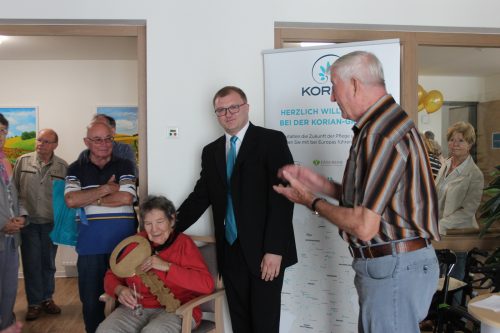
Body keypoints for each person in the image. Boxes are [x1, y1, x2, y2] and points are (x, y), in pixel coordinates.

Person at [273, 51, 440, 333]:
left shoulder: (380, 132)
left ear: (354, 84)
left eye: (333, 87)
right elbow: (379, 201)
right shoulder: (384, 124)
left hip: (394, 269)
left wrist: (311, 201)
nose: (331, 97)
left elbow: (364, 225)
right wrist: (319, 184)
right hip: (396, 268)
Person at [176, 86, 297, 333]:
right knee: (240, 324)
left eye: (233, 107)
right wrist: (166, 228)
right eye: (221, 110)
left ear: (246, 107)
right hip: (229, 251)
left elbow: (284, 198)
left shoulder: (271, 141)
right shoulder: (211, 152)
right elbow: (200, 197)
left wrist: (274, 249)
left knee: (264, 325)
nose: (228, 114)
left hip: (265, 251)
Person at [96, 195, 214, 333]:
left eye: (160, 221)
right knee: (105, 330)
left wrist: (167, 267)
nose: (154, 229)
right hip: (136, 308)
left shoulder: (183, 244)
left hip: (178, 309)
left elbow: (206, 285)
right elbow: (112, 275)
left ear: (172, 220)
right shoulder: (136, 242)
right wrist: (119, 290)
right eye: (148, 223)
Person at [65, 121, 137, 333]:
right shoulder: (75, 168)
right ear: (87, 142)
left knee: (127, 302)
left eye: (108, 139)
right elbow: (70, 200)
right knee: (91, 303)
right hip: (90, 248)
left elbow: (126, 197)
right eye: (97, 139)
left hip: (124, 247)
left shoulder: (125, 164)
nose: (104, 144)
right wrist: (106, 188)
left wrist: (89, 198)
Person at [13, 129, 68, 321]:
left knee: (48, 264)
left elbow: (65, 199)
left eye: (46, 141)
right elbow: (14, 191)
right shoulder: (23, 161)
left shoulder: (62, 167)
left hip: (51, 224)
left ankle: (47, 299)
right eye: (39, 139)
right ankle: (34, 303)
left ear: (55, 145)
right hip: (28, 223)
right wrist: (18, 215)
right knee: (31, 264)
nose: (40, 144)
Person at [435, 121, 484, 304]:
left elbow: (468, 210)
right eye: (452, 140)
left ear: (470, 145)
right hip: (439, 233)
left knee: (454, 282)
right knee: (438, 278)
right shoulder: (446, 165)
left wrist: (440, 224)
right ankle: (437, 317)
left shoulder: (475, 174)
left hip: (459, 234)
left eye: (461, 140)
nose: (455, 144)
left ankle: (454, 320)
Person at [0, 113, 27, 330]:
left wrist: (22, 215)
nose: (0, 136)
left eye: (3, 131)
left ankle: (6, 324)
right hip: (2, 231)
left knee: (9, 287)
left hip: (11, 237)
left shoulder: (6, 161)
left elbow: (15, 196)